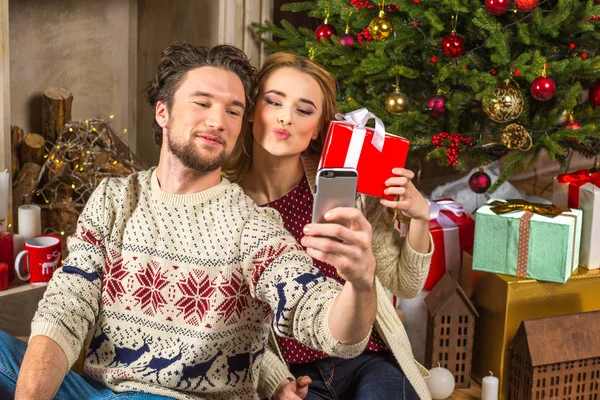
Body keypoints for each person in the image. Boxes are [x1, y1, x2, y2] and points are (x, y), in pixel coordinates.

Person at [0, 43, 381, 400]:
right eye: (202, 103)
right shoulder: (114, 199)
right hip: (98, 391)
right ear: (162, 111)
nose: (217, 120)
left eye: (233, 110)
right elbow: (67, 308)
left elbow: (326, 325)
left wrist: (361, 284)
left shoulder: (254, 226)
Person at [224, 52, 433, 400]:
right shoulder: (226, 206)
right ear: (250, 110)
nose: (285, 118)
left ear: (320, 126)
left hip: (370, 358)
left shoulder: (344, 186)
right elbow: (232, 323)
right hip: (296, 377)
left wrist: (420, 218)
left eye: (304, 110)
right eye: (274, 101)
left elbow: (405, 284)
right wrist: (275, 381)